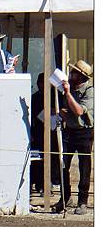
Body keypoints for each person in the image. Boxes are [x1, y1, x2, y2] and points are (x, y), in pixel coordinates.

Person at [53, 60, 94, 215]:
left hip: (84, 133)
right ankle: (65, 197)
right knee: (63, 164)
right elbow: (64, 110)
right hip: (69, 131)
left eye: (74, 73)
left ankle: (82, 202)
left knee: (84, 167)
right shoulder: (67, 87)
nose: (71, 75)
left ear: (81, 76)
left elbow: (78, 111)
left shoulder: (90, 91)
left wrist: (68, 93)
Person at [30, 73, 61, 193]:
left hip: (52, 132)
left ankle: (52, 182)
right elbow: (32, 116)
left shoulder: (55, 97)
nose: (42, 86)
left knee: (52, 158)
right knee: (38, 160)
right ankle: (39, 183)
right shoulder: (35, 97)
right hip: (38, 132)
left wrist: (55, 111)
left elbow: (60, 111)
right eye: (40, 83)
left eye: (45, 83)